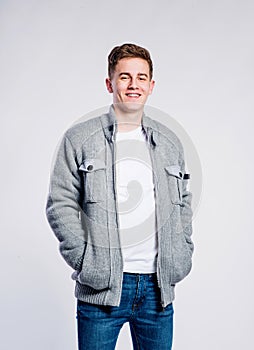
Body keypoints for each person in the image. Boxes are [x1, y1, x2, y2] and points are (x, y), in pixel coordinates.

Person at [46, 43, 194, 350]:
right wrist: (87, 262)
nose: (133, 84)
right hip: (102, 290)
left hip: (157, 289)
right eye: (124, 76)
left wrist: (183, 251)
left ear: (151, 86)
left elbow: (184, 202)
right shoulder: (80, 138)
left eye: (141, 77)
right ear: (109, 83)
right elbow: (60, 203)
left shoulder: (169, 141)